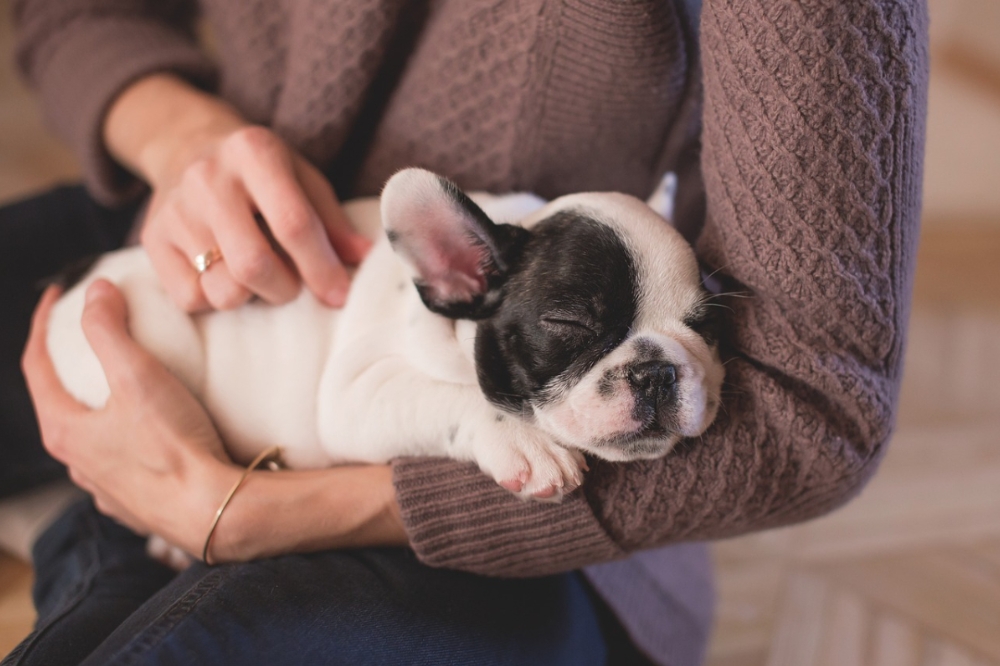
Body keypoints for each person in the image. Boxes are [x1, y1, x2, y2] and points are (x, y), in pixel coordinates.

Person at [0, 0, 929, 664]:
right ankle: (101, 529)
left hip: (523, 540)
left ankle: (93, 536)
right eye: (580, 334)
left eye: (694, 331)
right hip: (204, 251)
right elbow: (70, 16)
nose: (652, 372)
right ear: (454, 275)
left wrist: (247, 516)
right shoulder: (473, 270)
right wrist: (181, 138)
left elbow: (816, 405)